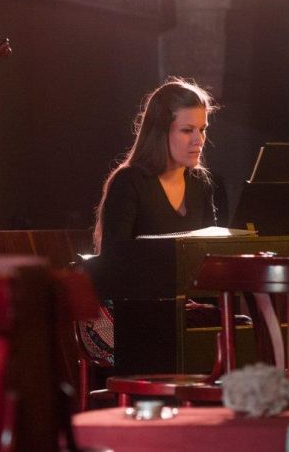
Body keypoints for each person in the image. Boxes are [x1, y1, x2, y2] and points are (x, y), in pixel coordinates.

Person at [80, 78, 218, 365]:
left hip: (179, 309)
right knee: (183, 334)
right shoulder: (129, 182)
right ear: (160, 132)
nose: (199, 140)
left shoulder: (200, 184)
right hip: (124, 312)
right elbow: (115, 264)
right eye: (187, 130)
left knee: (236, 327)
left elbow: (210, 256)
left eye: (202, 129)